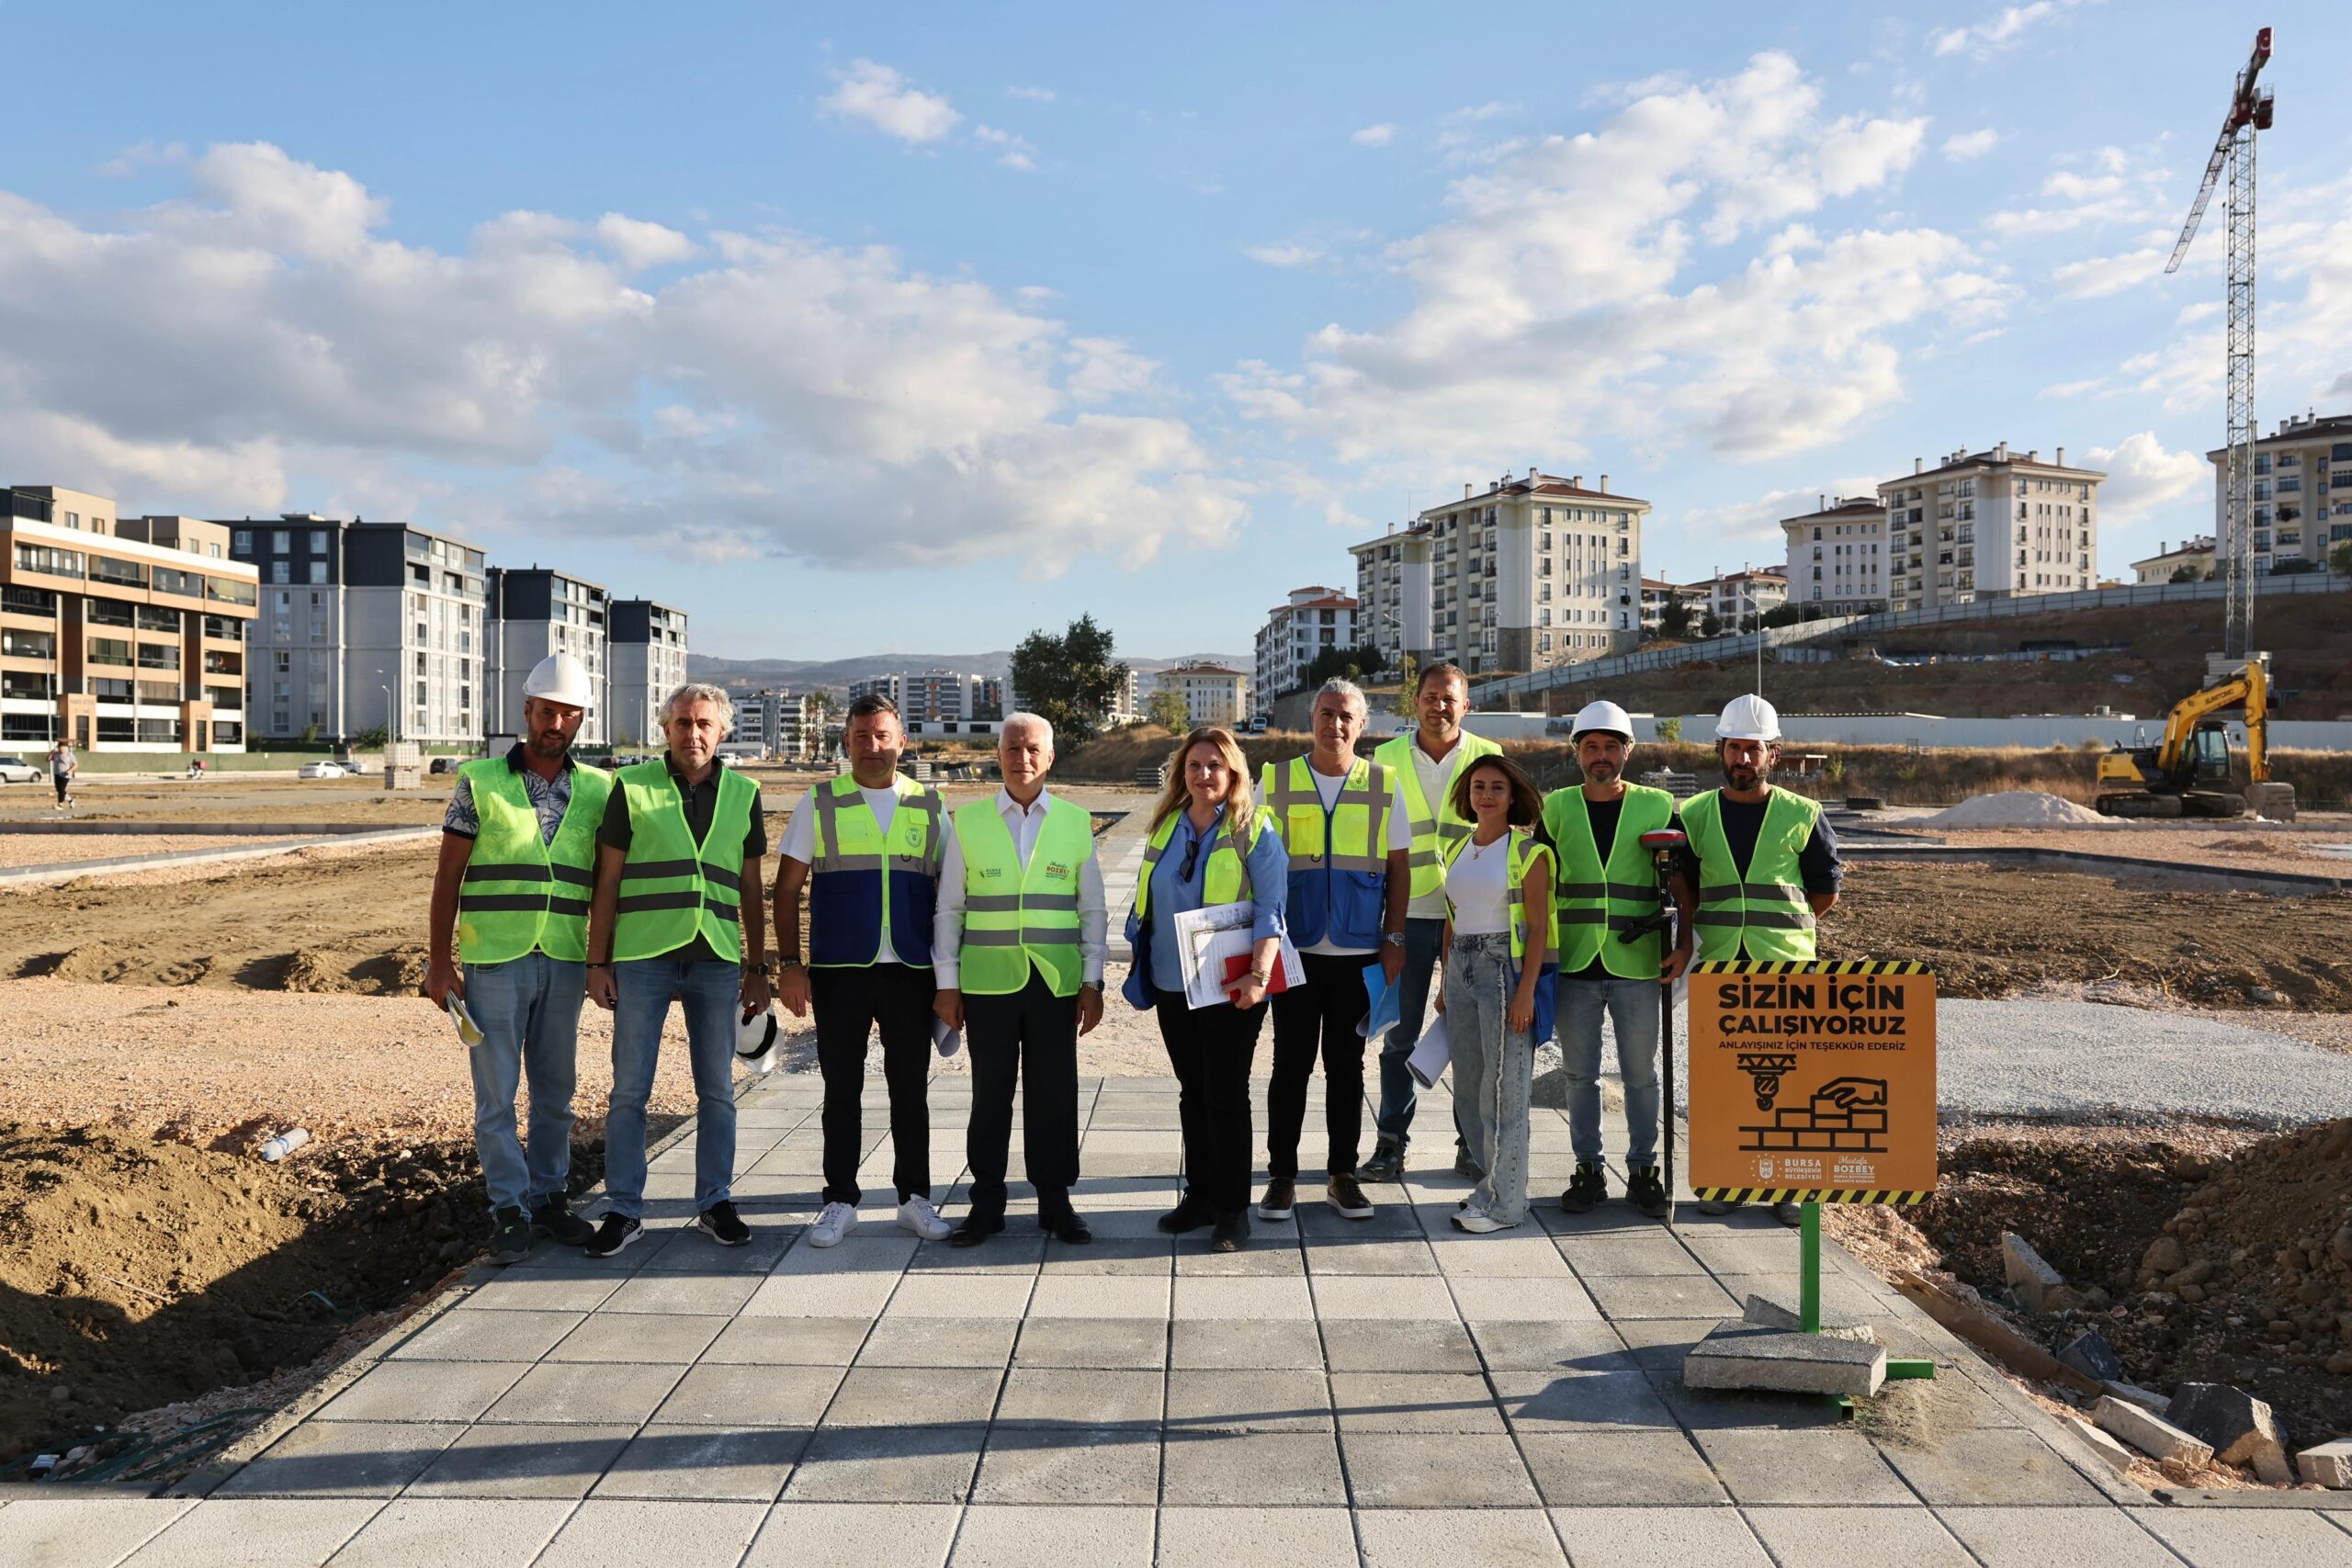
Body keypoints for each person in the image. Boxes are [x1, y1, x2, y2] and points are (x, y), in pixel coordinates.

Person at [424, 654, 611, 1262]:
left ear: (580, 719)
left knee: (556, 1091)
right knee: (496, 1096)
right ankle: (509, 1209)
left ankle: (549, 1198)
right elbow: (448, 877)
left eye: (568, 713)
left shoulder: (600, 789)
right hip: (495, 959)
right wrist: (440, 963)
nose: (556, 722)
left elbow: (608, 883)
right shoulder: (479, 781)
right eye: (547, 711)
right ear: (527, 710)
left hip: (564, 958)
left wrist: (602, 961)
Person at [582, 682, 772, 1258]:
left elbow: (750, 888)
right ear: (666, 729)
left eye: (704, 724)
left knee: (717, 1090)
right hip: (643, 956)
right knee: (629, 1090)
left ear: (722, 731)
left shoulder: (744, 793)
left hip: (716, 957)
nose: (694, 733)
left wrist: (758, 967)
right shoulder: (632, 786)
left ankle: (715, 1202)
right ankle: (623, 1209)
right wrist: (597, 961)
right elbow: (608, 881)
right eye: (683, 723)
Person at [773, 694, 955, 1247]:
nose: (872, 746)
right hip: (839, 970)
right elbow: (786, 889)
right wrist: (790, 965)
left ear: (902, 741)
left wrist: (952, 978)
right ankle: (839, 1201)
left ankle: (914, 1198)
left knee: (910, 1091)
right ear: (846, 741)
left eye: (882, 736)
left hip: (912, 969)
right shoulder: (819, 801)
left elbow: (953, 897)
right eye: (861, 736)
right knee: (841, 1090)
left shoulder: (930, 804)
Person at [932, 713, 1108, 1247]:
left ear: (1050, 757)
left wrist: (1092, 982)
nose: (1022, 758)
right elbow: (950, 909)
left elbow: (1092, 910)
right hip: (988, 984)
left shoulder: (1075, 822)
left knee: (1054, 1094)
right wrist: (947, 983)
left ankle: (1055, 1201)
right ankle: (986, 1203)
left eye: (1033, 749)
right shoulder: (969, 822)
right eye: (1012, 748)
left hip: (1056, 983)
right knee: (990, 1097)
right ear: (998, 755)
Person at [1124, 725, 1287, 1252]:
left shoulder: (1254, 827)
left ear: (1233, 771)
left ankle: (1233, 1210)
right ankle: (1199, 1197)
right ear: (1181, 773)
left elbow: (1272, 910)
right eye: (1194, 765)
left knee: (1225, 1093)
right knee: (1192, 1092)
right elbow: (1146, 898)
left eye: (1215, 765)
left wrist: (1258, 976)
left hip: (1231, 984)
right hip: (1173, 983)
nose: (1204, 774)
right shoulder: (1166, 824)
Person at [1684, 694, 1843, 1226]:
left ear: (1774, 753)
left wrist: (1781, 932)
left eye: (1754, 749)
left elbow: (1824, 892)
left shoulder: (1804, 814)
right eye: (1735, 748)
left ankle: (1789, 1186)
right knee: (1723, 1079)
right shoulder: (1695, 814)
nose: (1743, 759)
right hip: (1720, 968)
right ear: (1720, 751)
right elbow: (1685, 887)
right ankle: (1728, 1179)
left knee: (1793, 1080)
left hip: (1787, 969)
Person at [1256, 679, 1410, 1223]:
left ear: (1362, 724)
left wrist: (1394, 940)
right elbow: (1255, 862)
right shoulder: (1275, 780)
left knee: (1347, 1068)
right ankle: (1281, 1177)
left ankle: (1342, 1176)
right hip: (1293, 949)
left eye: (1346, 716)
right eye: (1326, 714)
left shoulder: (1384, 784)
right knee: (1290, 1066)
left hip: (1358, 951)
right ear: (1312, 719)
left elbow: (1399, 870)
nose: (1335, 725)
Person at [1539, 701, 1692, 1221]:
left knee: (1640, 1075)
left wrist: (1683, 945)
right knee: (1579, 1075)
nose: (1600, 755)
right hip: (1575, 962)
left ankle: (1644, 1169)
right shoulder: (1556, 809)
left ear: (1628, 751)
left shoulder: (1658, 806)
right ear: (1577, 752)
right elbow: (1537, 884)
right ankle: (1588, 1168)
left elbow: (1682, 884)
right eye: (1591, 747)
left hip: (1638, 964)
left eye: (1610, 746)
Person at [1363, 662, 1498, 1184]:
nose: (1439, 706)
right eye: (1430, 696)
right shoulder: (1386, 758)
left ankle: (1472, 1144)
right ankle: (1391, 1142)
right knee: (1400, 1037)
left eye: (1449, 698)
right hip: (1410, 914)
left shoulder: (1490, 755)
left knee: (1470, 1038)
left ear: (1466, 705)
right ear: (1415, 701)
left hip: (1474, 918)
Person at [1434, 753, 1554, 1232]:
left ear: (1512, 797)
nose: (1486, 795)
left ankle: (1506, 1206)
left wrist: (1526, 993)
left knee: (1503, 1091)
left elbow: (1539, 929)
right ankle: (1490, 1188)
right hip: (1461, 968)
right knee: (1468, 1088)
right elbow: (1453, 917)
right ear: (1467, 795)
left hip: (1503, 969)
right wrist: (1445, 979)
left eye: (1497, 788)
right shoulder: (1458, 848)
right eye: (1478, 786)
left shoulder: (1528, 853)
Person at [49, 739, 74, 810]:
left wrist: (69, 770)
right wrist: (51, 753)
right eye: (59, 747)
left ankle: (60, 805)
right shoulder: (56, 754)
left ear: (65, 747)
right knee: (59, 789)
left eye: (62, 747)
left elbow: (76, 765)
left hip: (65, 775)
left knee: (62, 789)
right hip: (57, 774)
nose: (61, 748)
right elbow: (48, 759)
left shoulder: (69, 755)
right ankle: (70, 800)